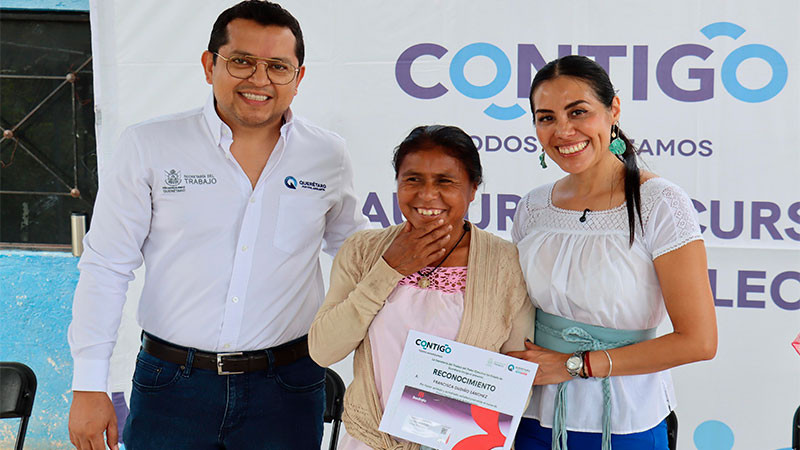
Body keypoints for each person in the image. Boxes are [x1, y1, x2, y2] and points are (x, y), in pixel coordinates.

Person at [67, 1, 368, 449]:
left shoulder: (327, 155)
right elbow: (107, 266)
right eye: (242, 61)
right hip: (171, 385)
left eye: (278, 66)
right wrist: (89, 384)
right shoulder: (150, 145)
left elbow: (356, 257)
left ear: (298, 78)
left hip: (287, 388)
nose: (259, 80)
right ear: (210, 65)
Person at [509, 55, 717, 449]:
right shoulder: (532, 207)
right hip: (531, 416)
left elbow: (699, 340)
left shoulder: (660, 203)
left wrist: (574, 365)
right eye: (546, 118)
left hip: (624, 421)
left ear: (613, 110)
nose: (563, 130)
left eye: (578, 112)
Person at [309, 125, 535, 450]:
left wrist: (451, 428)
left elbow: (518, 375)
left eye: (445, 181)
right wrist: (389, 269)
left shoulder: (505, 263)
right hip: (368, 443)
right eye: (413, 179)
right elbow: (323, 351)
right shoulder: (363, 251)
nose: (427, 195)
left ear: (473, 188)